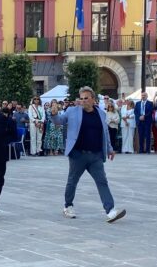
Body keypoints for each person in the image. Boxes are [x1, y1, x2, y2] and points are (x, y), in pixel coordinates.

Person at [50, 86, 125, 223]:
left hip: (95, 155)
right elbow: (59, 121)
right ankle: (68, 206)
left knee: (102, 182)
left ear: (93, 99)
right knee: (72, 181)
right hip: (78, 154)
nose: (83, 101)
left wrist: (109, 148)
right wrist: (54, 114)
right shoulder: (72, 111)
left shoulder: (101, 113)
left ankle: (110, 211)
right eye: (81, 98)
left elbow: (105, 132)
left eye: (86, 98)